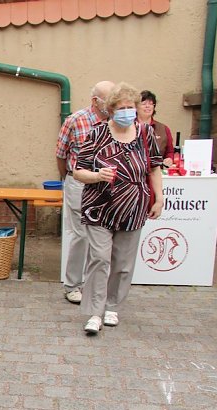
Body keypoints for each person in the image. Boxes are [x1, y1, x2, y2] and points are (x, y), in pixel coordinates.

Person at [73, 82, 164, 334]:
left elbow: (154, 167)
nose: (127, 111)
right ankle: (94, 312)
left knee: (123, 262)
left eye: (130, 107)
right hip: (99, 206)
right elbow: (77, 171)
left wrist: (159, 198)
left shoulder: (145, 133)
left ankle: (112, 306)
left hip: (133, 206)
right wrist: (97, 175)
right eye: (121, 107)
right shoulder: (96, 133)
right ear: (111, 110)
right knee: (100, 259)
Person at [55, 80, 115, 304]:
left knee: (102, 236)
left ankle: (95, 285)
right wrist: (68, 179)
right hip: (79, 183)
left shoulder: (115, 122)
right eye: (109, 100)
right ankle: (72, 285)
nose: (112, 105)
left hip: (108, 184)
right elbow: (61, 154)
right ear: (95, 101)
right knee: (81, 235)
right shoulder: (75, 120)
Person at [137, 90, 174, 167]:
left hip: (158, 171)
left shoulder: (164, 128)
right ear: (136, 107)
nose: (148, 106)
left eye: (151, 104)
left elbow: (170, 152)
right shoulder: (130, 127)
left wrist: (169, 159)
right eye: (144, 104)